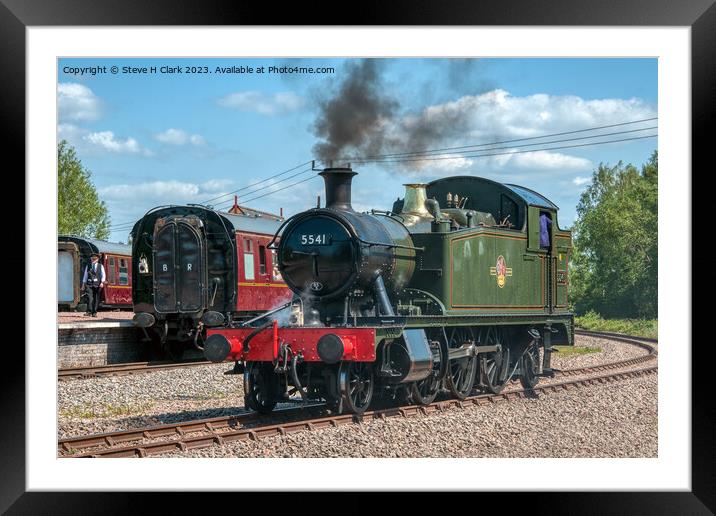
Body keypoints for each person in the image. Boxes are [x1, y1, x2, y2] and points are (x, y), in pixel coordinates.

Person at [81, 252, 106, 317]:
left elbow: (103, 275)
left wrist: (102, 282)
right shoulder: (88, 265)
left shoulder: (101, 266)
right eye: (92, 259)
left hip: (97, 285)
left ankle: (94, 312)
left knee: (96, 299)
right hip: (89, 284)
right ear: (91, 259)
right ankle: (89, 312)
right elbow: (85, 276)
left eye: (95, 259)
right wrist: (83, 285)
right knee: (89, 298)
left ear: (97, 259)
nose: (93, 260)